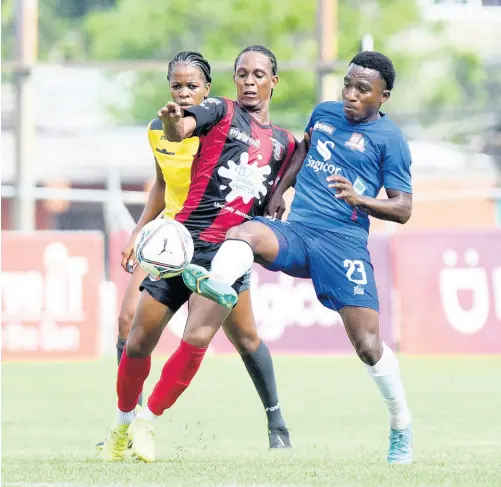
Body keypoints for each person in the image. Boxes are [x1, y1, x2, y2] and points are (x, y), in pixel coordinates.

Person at [183, 51, 414, 465]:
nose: (350, 95)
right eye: (348, 84)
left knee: (367, 345)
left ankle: (400, 423)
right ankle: (216, 288)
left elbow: (403, 208)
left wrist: (360, 199)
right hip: (299, 231)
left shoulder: (391, 140)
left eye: (363, 90)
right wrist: (278, 194)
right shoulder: (324, 113)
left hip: (343, 245)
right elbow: (302, 154)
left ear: (384, 96)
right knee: (243, 235)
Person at [101, 46, 302, 463]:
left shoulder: (283, 143)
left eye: (258, 74)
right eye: (242, 73)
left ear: (273, 81)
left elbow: (284, 178)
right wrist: (176, 124)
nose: (249, 81)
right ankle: (121, 426)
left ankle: (147, 421)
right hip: (182, 244)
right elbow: (184, 127)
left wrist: (282, 195)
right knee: (137, 341)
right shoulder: (219, 110)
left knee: (198, 339)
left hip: (229, 255)